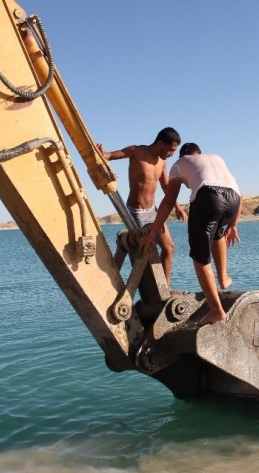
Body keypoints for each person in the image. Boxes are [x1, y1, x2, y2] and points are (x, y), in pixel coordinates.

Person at [139, 143, 241, 326]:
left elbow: (168, 200)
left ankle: (216, 311)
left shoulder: (180, 163)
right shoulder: (216, 158)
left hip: (208, 196)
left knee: (200, 258)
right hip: (233, 199)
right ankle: (224, 278)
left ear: (182, 155)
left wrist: (152, 232)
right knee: (217, 234)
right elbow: (239, 193)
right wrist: (233, 226)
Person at [97, 127, 186, 287]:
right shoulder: (136, 152)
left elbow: (167, 187)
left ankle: (166, 288)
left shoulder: (163, 162)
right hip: (135, 213)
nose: (172, 154)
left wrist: (177, 207)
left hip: (153, 212)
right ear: (160, 143)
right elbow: (108, 156)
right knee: (145, 252)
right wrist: (102, 154)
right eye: (171, 150)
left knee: (169, 247)